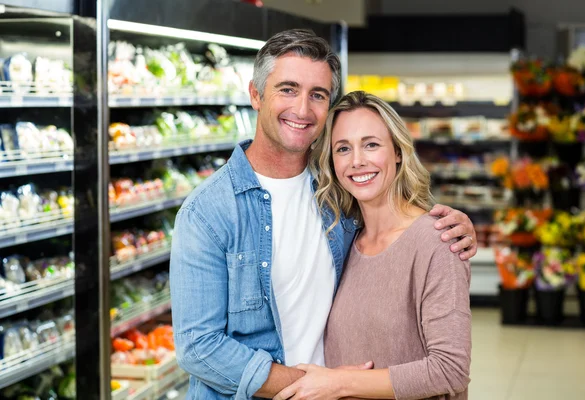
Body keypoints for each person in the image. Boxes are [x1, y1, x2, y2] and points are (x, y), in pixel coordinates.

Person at [170, 29, 477, 400]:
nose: (302, 109)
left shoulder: (336, 194)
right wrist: (308, 384)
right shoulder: (207, 212)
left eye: (317, 95)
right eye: (287, 89)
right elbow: (199, 347)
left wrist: (447, 226)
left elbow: (394, 221)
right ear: (255, 94)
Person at [273, 91, 471, 400]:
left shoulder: (437, 240)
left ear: (397, 151)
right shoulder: (344, 240)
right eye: (343, 148)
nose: (357, 161)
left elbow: (451, 369)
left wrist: (336, 384)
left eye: (371, 144)